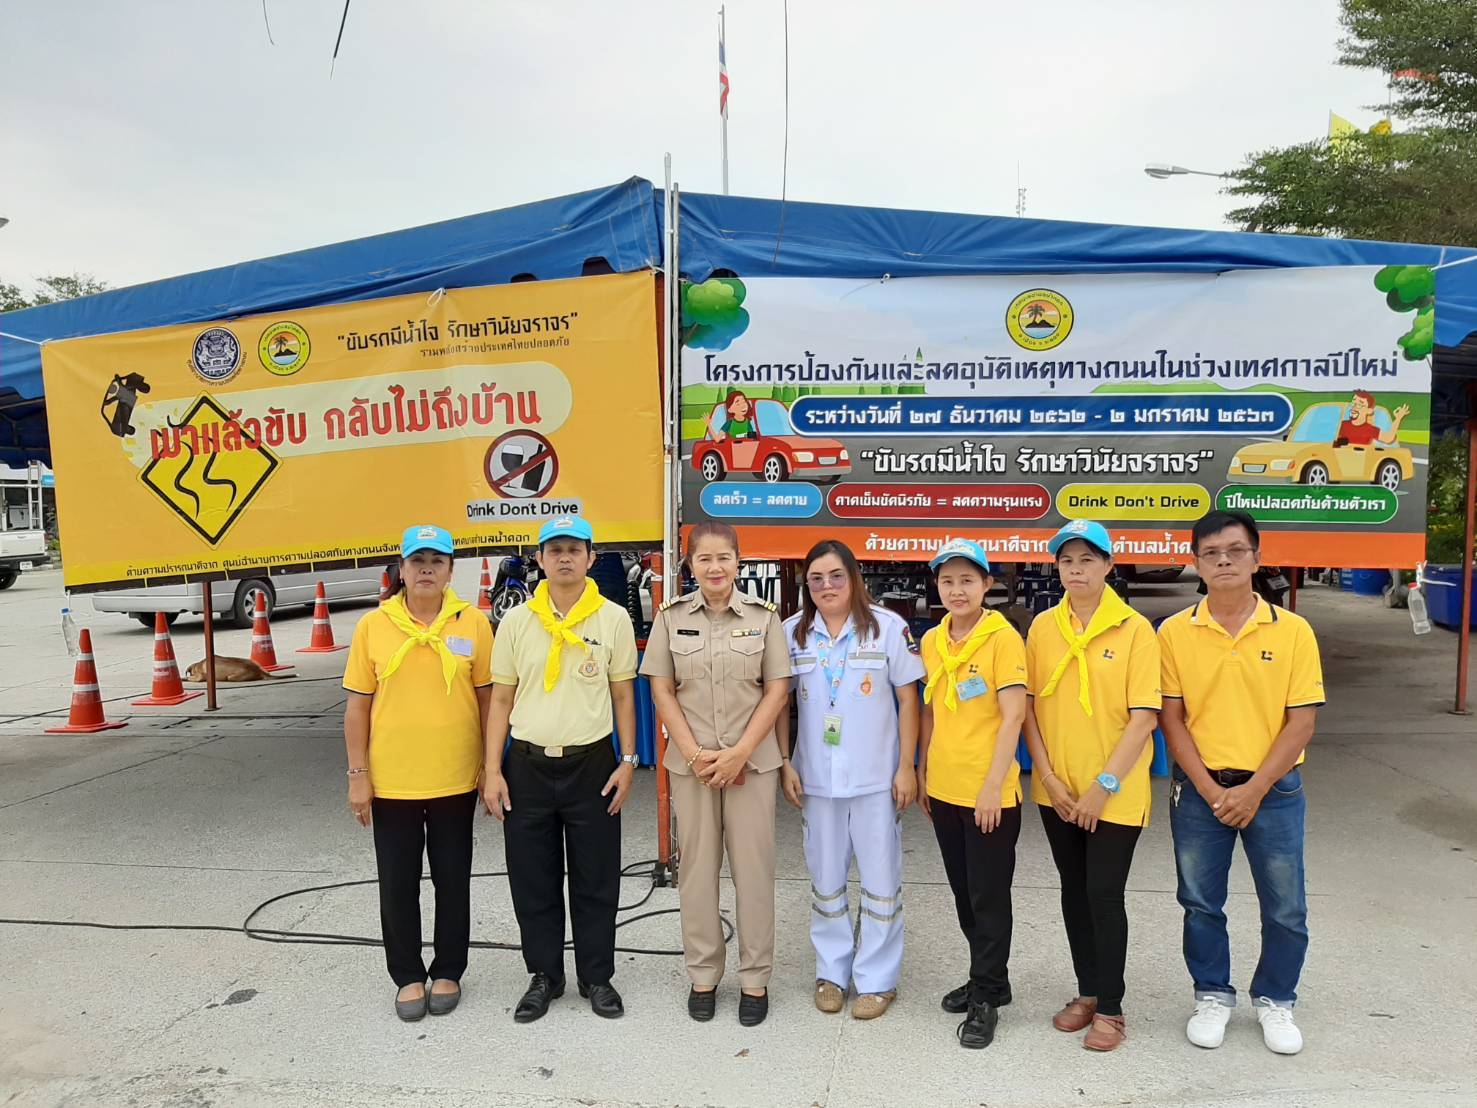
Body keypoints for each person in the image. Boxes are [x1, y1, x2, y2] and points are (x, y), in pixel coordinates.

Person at [1158, 510, 1323, 1056]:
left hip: (1274, 791)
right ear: (1196, 563)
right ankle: (1212, 994)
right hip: (1199, 791)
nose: (1223, 561)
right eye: (1211, 553)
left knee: (1286, 906)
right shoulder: (1175, 632)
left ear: (1257, 557)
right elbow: (1172, 720)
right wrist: (1211, 790)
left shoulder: (1292, 631)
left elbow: (1301, 722)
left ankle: (1277, 998)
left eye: (1235, 550)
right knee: (1200, 901)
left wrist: (1253, 790)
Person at [481, 515, 640, 1022]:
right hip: (526, 766)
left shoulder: (612, 618)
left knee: (597, 878)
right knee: (533, 879)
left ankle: (597, 975)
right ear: (540, 559)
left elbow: (623, 694)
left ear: (591, 558)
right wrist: (492, 769)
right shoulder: (516, 622)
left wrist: (628, 760)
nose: (565, 558)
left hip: (591, 764)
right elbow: (501, 699)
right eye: (555, 550)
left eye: (574, 549)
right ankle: (544, 974)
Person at [640, 522, 791, 1026]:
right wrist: (693, 753)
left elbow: (777, 690)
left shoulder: (764, 618)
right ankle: (703, 975)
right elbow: (662, 689)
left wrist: (739, 752)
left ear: (738, 561)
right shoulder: (670, 617)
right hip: (694, 768)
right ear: (690, 565)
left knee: (754, 873)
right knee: (697, 874)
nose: (715, 567)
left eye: (724, 557)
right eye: (704, 559)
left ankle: (755, 979)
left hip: (753, 764)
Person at [343, 524, 494, 1021]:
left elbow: (489, 699)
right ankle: (407, 974)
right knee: (397, 883)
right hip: (393, 781)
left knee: (453, 879)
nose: (427, 569)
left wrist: (490, 766)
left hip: (455, 776)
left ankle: (448, 968)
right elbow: (358, 707)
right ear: (402, 569)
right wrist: (358, 774)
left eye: (437, 561)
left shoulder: (473, 623)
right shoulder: (373, 626)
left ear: (450, 570)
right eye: (417, 561)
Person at [1022, 520, 1160, 1052]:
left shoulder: (1134, 630)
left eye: (1087, 559)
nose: (1075, 569)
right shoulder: (1042, 628)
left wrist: (1103, 787)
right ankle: (1087, 990)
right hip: (1058, 791)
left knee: (1103, 893)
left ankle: (1113, 1008)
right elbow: (1028, 709)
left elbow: (1144, 717)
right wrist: (1048, 778)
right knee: (1074, 892)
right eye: (1066, 560)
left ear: (1108, 565)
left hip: (1114, 793)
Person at [778, 539, 924, 1021]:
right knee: (825, 881)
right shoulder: (792, 633)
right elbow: (778, 703)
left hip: (876, 779)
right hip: (816, 780)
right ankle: (832, 973)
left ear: (854, 578)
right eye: (816, 579)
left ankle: (877, 980)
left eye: (836, 576)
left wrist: (907, 767)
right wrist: (784, 762)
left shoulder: (887, 628)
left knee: (881, 883)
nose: (827, 586)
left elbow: (909, 700)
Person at [916, 538, 1028, 1050]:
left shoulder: (1002, 639)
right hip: (944, 788)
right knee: (965, 895)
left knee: (989, 897)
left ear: (987, 584)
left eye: (967, 580)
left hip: (989, 794)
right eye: (947, 581)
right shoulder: (933, 639)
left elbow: (1013, 717)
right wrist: (924, 771)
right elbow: (932, 711)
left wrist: (991, 788)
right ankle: (990, 979)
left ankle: (986, 997)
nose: (956, 590)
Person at [1335, 389, 1409, 446]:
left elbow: (1388, 438)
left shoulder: (1369, 429)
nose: (1354, 407)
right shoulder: (1342, 425)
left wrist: (1398, 418)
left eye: (1359, 404)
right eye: (1353, 403)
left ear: (1369, 411)